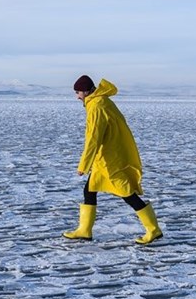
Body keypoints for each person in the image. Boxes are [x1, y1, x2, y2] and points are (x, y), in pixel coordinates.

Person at [63, 74, 163, 244]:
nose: (77, 96)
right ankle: (84, 230)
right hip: (107, 158)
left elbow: (93, 139)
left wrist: (83, 165)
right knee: (89, 190)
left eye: (78, 92)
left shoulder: (96, 107)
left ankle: (153, 230)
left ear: (86, 92)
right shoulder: (101, 101)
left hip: (110, 161)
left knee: (126, 194)